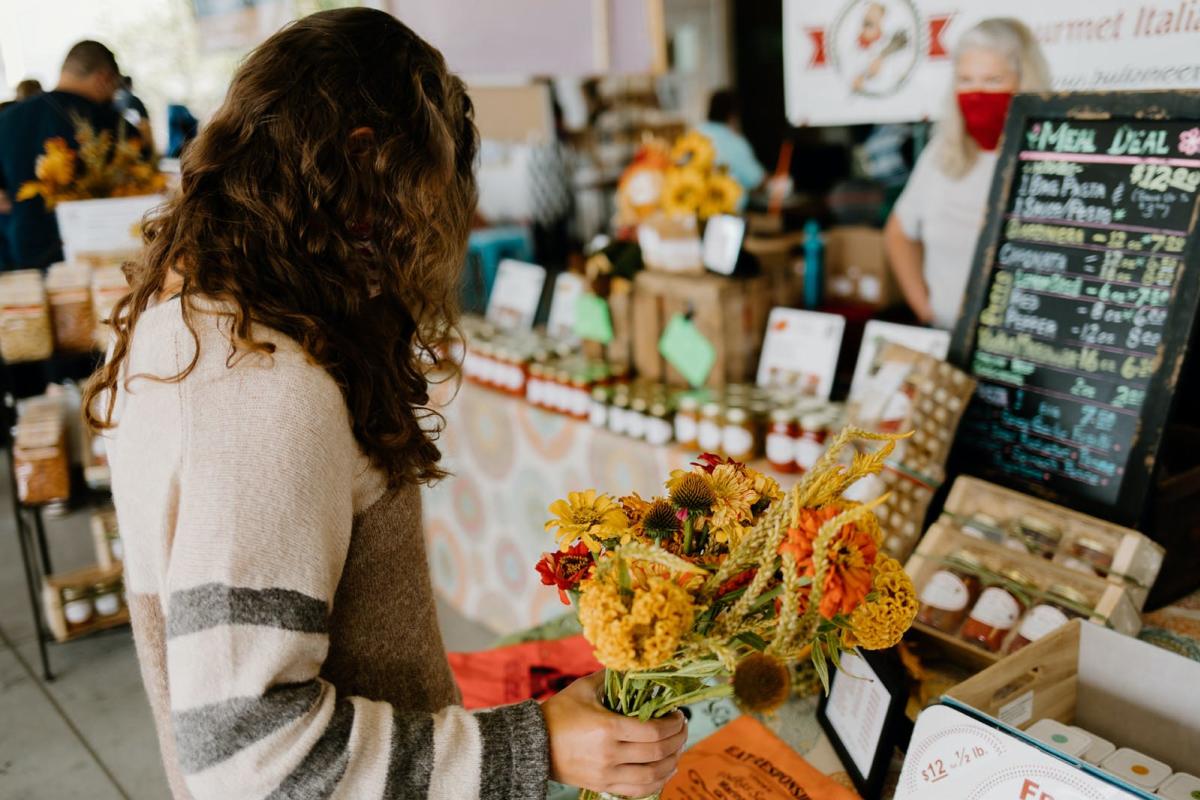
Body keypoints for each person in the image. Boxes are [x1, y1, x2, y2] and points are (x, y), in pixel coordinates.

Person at [84, 9, 686, 800]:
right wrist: (537, 746)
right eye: (431, 189)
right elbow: (246, 751)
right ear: (365, 159)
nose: (439, 227)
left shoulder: (190, 321)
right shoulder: (259, 388)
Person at [885, 18, 1049, 330]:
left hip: (1030, 351)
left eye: (993, 80)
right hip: (949, 344)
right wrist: (924, 307)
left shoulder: (1054, 158)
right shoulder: (940, 154)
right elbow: (898, 232)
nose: (977, 93)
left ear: (1024, 81)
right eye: (966, 79)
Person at [0, 40, 128, 268]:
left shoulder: (8, 118)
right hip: (90, 252)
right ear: (103, 78)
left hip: (18, 253)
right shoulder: (103, 121)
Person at [696, 89, 768, 197]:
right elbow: (757, 181)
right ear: (733, 115)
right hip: (727, 210)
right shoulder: (735, 142)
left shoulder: (693, 135)